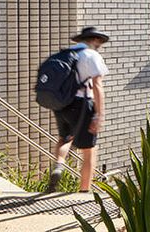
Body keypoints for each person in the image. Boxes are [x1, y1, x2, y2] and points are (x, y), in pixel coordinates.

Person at [47, 26, 110, 193]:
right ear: (95, 40)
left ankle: (59, 165)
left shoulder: (67, 53)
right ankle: (84, 191)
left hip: (62, 103)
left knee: (65, 138)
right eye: (99, 42)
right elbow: (97, 85)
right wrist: (99, 114)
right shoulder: (91, 55)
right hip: (82, 104)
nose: (100, 45)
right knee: (89, 150)